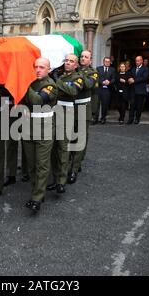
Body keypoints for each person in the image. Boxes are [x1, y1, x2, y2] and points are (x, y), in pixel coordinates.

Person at [21, 57, 58, 212]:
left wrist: (23, 83)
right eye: (35, 66)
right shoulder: (31, 82)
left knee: (42, 164)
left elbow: (37, 101)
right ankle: (36, 191)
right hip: (28, 128)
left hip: (44, 128)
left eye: (42, 67)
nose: (38, 69)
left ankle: (37, 197)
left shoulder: (50, 85)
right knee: (31, 164)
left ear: (49, 69)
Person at [48, 53, 82, 194]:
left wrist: (57, 81)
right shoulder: (60, 76)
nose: (67, 63)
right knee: (53, 149)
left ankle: (61, 181)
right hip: (55, 114)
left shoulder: (77, 78)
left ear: (76, 65)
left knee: (63, 148)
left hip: (67, 115)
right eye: (66, 60)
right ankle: (55, 179)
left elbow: (73, 91)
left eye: (71, 61)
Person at [68, 50, 97, 184]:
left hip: (82, 109)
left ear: (90, 60)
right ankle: (70, 163)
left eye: (86, 57)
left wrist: (78, 73)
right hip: (70, 109)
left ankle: (74, 168)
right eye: (82, 56)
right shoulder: (74, 71)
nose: (83, 59)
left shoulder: (93, 72)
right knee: (69, 138)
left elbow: (89, 84)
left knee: (79, 139)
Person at [128, 56, 149, 124]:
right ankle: (130, 119)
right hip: (133, 90)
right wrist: (129, 79)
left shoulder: (145, 69)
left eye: (138, 61)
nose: (137, 62)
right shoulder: (133, 69)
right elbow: (130, 75)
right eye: (136, 61)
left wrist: (134, 80)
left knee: (139, 106)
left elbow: (144, 78)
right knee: (132, 105)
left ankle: (137, 119)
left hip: (141, 90)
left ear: (142, 61)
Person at [95, 57, 116, 124]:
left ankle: (103, 118)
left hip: (107, 90)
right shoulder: (98, 68)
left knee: (105, 105)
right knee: (96, 105)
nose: (107, 62)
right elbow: (96, 78)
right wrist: (102, 82)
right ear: (103, 62)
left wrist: (109, 82)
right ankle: (95, 119)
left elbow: (114, 79)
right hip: (99, 89)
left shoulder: (112, 69)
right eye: (106, 61)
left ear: (110, 62)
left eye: (108, 61)